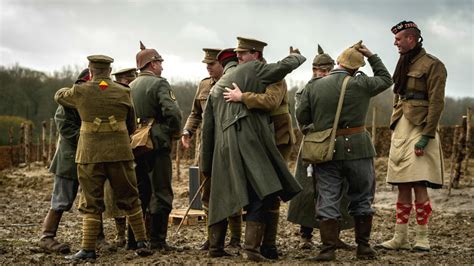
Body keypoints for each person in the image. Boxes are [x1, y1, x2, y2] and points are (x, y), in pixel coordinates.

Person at [201, 37, 305, 262]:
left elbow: (207, 128)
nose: (240, 58)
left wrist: (206, 164)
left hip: (222, 148)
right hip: (249, 143)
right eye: (239, 55)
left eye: (242, 53)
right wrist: (297, 55)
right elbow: (284, 67)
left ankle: (216, 248)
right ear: (258, 55)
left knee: (221, 195)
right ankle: (252, 250)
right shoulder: (256, 70)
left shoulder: (218, 85)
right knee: (262, 192)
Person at [296, 41, 393, 261]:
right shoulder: (362, 84)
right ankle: (364, 248)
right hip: (359, 150)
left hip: (327, 151)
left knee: (327, 198)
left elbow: (303, 117)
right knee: (362, 198)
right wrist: (371, 55)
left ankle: (327, 250)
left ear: (337, 62)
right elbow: (387, 79)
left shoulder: (314, 86)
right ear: (357, 68)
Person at [55, 55, 152, 261]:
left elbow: (59, 96)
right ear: (109, 71)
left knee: (91, 201)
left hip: (90, 154)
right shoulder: (124, 91)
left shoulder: (80, 91)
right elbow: (131, 125)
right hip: (119, 152)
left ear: (90, 71)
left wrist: (85, 86)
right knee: (130, 196)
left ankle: (88, 249)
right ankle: (142, 242)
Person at [378, 20, 446, 252]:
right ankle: (400, 238)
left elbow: (437, 103)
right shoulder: (403, 62)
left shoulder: (433, 65)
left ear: (411, 39)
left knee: (419, 182)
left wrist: (427, 136)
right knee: (402, 183)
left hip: (420, 127)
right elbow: (399, 94)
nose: (395, 43)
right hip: (401, 126)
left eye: (398, 39)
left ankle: (423, 238)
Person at [288, 44, 353, 250]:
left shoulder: (339, 88)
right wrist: (319, 130)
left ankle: (334, 236)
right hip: (313, 144)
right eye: (316, 70)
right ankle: (305, 236)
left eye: (323, 70)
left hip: (336, 144)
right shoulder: (305, 89)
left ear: (331, 70)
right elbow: (302, 120)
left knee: (338, 189)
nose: (319, 74)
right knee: (308, 190)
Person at [181, 48, 242, 251]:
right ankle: (212, 238)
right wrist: (187, 130)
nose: (208, 68)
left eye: (211, 64)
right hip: (206, 148)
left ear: (222, 65)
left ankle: (234, 238)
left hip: (229, 146)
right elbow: (195, 113)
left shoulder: (235, 84)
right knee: (207, 192)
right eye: (206, 65)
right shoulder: (204, 85)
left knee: (232, 190)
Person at [129, 42, 182, 251]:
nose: (162, 66)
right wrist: (174, 133)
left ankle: (135, 240)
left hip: (135, 143)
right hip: (157, 144)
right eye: (159, 62)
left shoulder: (130, 86)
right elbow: (173, 113)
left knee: (140, 191)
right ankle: (158, 241)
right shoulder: (159, 84)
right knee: (161, 192)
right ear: (151, 64)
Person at [38, 69, 90, 254]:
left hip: (88, 160)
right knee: (61, 201)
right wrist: (92, 137)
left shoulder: (92, 103)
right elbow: (67, 129)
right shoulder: (67, 104)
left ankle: (96, 238)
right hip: (69, 162)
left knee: (92, 200)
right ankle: (47, 237)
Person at [99, 67, 138, 248]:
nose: (130, 82)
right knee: (114, 194)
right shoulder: (108, 91)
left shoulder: (129, 92)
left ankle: (133, 235)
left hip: (126, 148)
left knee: (129, 192)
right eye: (128, 79)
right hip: (115, 148)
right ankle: (121, 234)